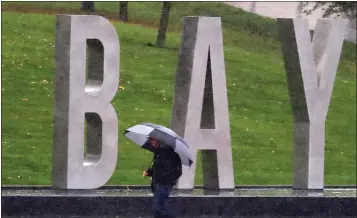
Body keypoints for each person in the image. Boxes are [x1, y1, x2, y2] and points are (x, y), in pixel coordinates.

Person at [143, 137, 182, 218]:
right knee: (157, 210)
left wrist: (166, 179)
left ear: (158, 140)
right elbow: (157, 168)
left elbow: (176, 171)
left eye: (151, 140)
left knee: (159, 208)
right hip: (157, 184)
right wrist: (149, 172)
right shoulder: (158, 153)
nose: (150, 142)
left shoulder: (170, 154)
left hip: (164, 185)